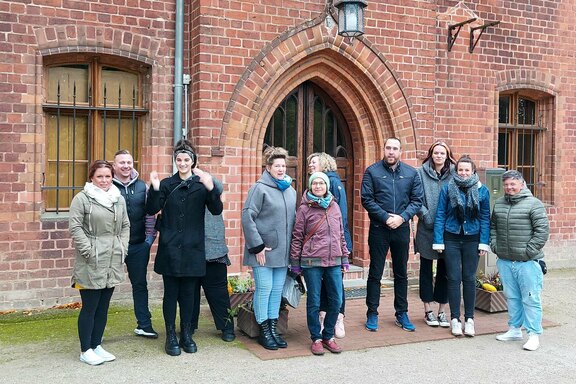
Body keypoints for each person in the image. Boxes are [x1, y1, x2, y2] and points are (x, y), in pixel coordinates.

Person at [146, 139, 223, 356]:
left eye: (186, 159)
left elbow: (216, 210)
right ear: (175, 161)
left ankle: (186, 333)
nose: (182, 163)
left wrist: (211, 187)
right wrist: (154, 187)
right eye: (179, 159)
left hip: (193, 249)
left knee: (189, 295)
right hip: (170, 248)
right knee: (170, 294)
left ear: (193, 161)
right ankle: (170, 334)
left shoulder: (201, 185)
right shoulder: (167, 184)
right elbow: (152, 208)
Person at [69, 160, 130, 365]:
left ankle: (96, 345)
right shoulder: (82, 199)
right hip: (91, 259)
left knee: (103, 306)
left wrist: (122, 247)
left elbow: (125, 225)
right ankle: (85, 350)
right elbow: (75, 228)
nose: (104, 180)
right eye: (100, 176)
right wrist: (88, 250)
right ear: (92, 178)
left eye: (107, 176)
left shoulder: (117, 198)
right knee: (90, 306)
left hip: (112, 257)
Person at [361, 137, 423, 332]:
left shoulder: (411, 173)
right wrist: (386, 217)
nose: (391, 152)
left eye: (395, 148)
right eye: (388, 148)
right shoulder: (372, 171)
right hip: (380, 229)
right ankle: (372, 312)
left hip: (401, 228)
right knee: (375, 273)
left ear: (400, 152)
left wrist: (402, 218)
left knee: (401, 274)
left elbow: (417, 200)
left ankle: (401, 313)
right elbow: (367, 199)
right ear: (384, 149)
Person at [242, 146, 296, 350]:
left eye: (283, 165)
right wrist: (257, 247)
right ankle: (263, 329)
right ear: (268, 167)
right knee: (264, 289)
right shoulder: (259, 188)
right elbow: (247, 216)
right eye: (277, 166)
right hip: (263, 251)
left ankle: (273, 328)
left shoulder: (290, 191)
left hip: (283, 252)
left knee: (276, 291)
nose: (281, 169)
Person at [290, 172, 350, 355]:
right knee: (314, 302)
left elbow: (341, 234)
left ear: (326, 186)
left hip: (333, 261)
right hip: (312, 262)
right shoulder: (304, 209)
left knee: (336, 300)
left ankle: (328, 336)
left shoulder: (335, 207)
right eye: (314, 183)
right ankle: (316, 337)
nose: (318, 186)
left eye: (321, 183)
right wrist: (295, 262)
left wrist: (345, 258)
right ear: (310, 186)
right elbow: (297, 237)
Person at [490, 170, 549, 351]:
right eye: (506, 185)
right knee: (512, 297)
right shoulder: (499, 204)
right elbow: (493, 227)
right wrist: (495, 246)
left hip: (528, 262)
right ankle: (514, 329)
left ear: (522, 184)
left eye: (513, 184)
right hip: (506, 260)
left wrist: (527, 251)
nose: (509, 187)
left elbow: (542, 232)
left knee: (531, 298)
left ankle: (533, 334)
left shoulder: (534, 204)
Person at [433, 155, 490, 337]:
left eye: (467, 170)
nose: (463, 173)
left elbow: (485, 218)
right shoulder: (447, 188)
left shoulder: (482, 191)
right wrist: (438, 240)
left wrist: (483, 242)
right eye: (460, 170)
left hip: (472, 238)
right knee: (454, 278)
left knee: (469, 279)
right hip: (451, 237)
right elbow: (440, 214)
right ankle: (455, 319)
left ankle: (470, 320)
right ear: (456, 171)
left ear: (473, 171)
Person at [112, 150, 158, 339]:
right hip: (114, 246)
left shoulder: (142, 187)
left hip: (138, 245)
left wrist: (149, 239)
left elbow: (150, 213)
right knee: (104, 287)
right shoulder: (108, 186)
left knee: (140, 285)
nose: (126, 166)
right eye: (121, 162)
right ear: (114, 165)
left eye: (129, 162)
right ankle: (95, 331)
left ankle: (144, 325)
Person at [308, 152, 351, 338]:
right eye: (309, 163)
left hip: (334, 244)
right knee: (328, 285)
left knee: (335, 285)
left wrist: (342, 248)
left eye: (313, 162)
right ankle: (325, 317)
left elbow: (338, 218)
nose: (310, 165)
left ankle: (338, 318)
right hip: (322, 246)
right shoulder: (321, 182)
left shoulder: (332, 182)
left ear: (323, 164)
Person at [414, 141, 456, 328]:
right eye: (436, 153)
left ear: (447, 155)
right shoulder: (419, 173)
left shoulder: (455, 173)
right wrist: (426, 216)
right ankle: (428, 310)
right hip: (426, 228)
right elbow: (415, 198)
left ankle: (441, 311)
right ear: (431, 154)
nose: (439, 156)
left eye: (442, 153)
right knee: (425, 269)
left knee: (444, 271)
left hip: (448, 230)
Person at [190, 175, 236, 342]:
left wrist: (200, 174)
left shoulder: (213, 194)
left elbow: (217, 185)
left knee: (219, 293)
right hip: (191, 252)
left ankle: (226, 327)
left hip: (214, 251)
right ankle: (189, 326)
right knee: (190, 294)